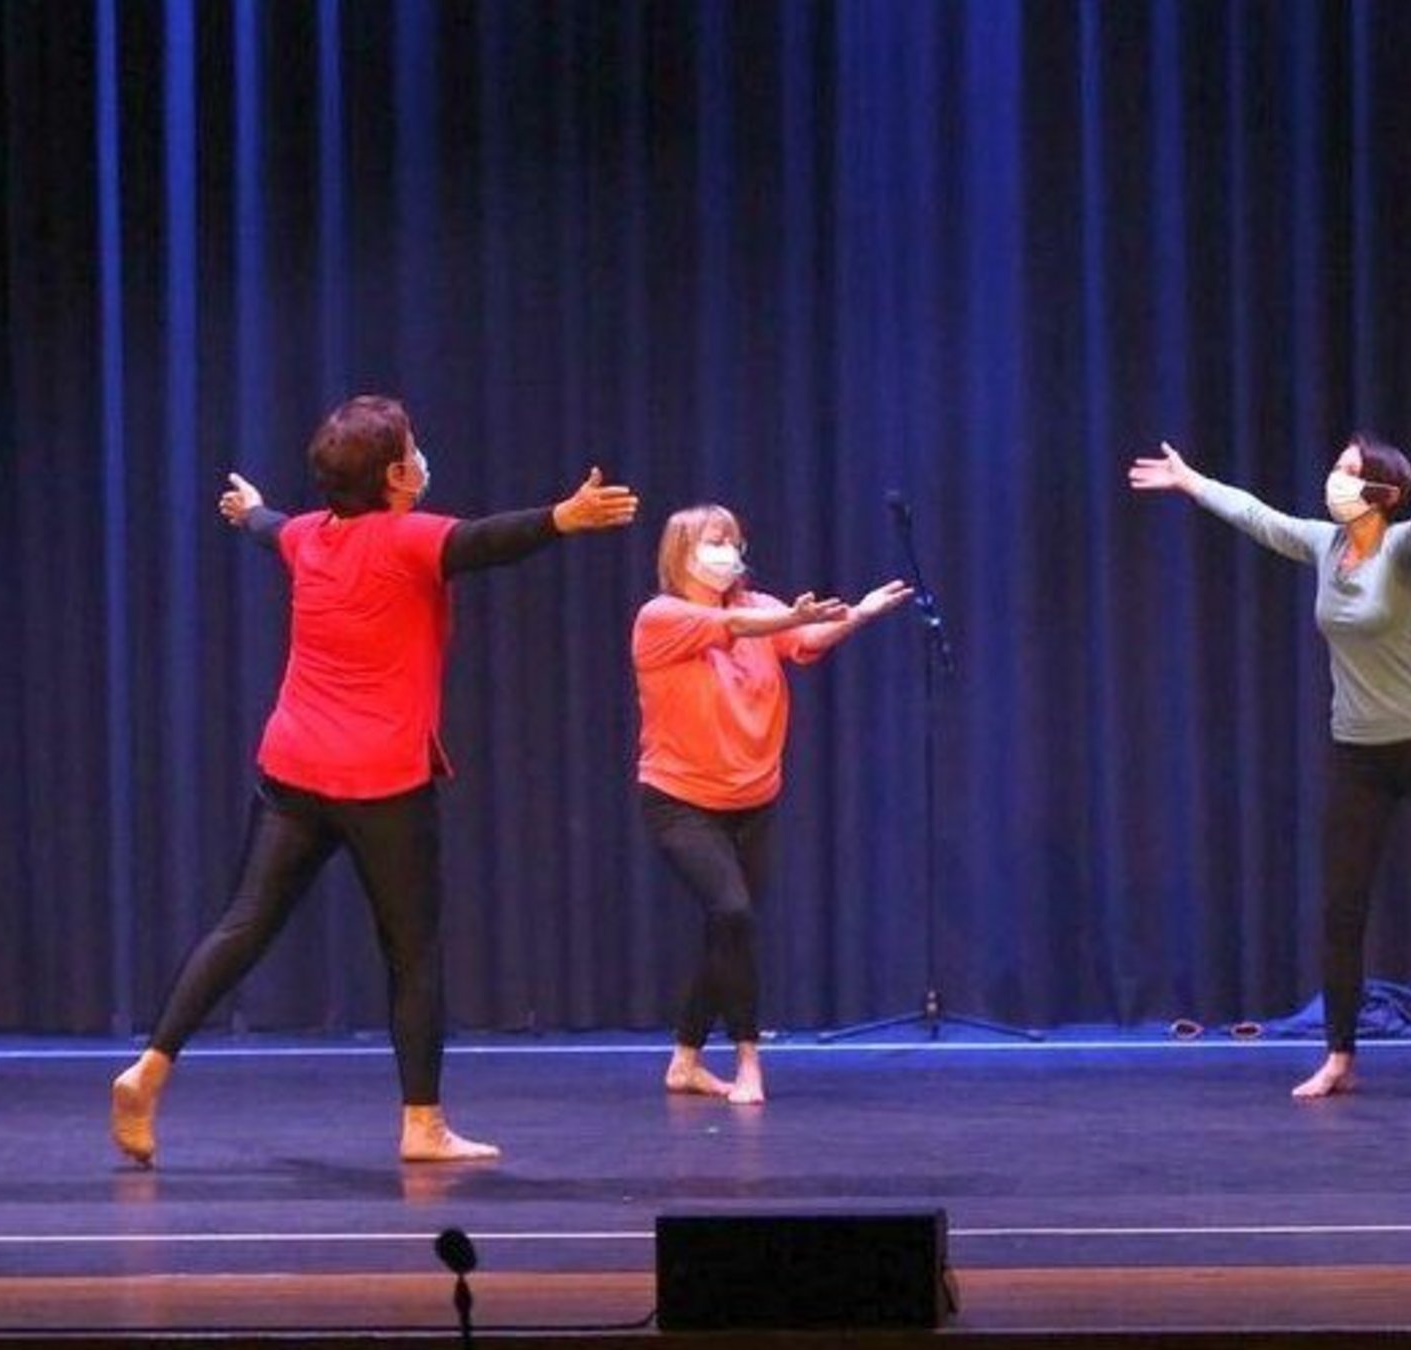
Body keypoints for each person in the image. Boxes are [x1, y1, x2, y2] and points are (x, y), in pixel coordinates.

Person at [108, 394, 641, 1167]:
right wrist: (564, 516)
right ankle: (422, 1126)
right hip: (383, 779)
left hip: (293, 767)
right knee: (413, 952)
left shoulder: (306, 539)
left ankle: (148, 1068)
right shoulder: (410, 539)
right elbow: (488, 541)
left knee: (241, 925)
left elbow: (267, 530)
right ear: (395, 474)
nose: (423, 460)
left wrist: (252, 509)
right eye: (415, 450)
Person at [1129, 414, 1411, 1099]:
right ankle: (1340, 1055)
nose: (1333, 480)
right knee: (1342, 906)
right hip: (1357, 752)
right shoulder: (1323, 544)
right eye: (1335, 466)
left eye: (1346, 469)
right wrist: (1190, 481)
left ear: (1381, 491)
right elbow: (1257, 515)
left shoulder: (1404, 551)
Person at [633, 504, 912, 1105]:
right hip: (680, 798)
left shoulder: (759, 607)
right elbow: (737, 631)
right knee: (733, 914)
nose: (729, 551)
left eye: (735, 539)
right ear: (681, 551)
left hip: (754, 799)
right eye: (715, 540)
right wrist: (787, 615)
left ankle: (684, 1060)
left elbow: (804, 638)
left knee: (725, 927)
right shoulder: (662, 617)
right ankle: (748, 1059)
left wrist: (857, 615)